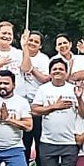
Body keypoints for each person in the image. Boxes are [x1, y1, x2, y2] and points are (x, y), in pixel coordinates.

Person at [31, 58, 82, 166]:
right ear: (50, 73)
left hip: (69, 141)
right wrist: (54, 107)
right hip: (48, 141)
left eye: (61, 69)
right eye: (54, 69)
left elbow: (83, 113)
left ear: (66, 73)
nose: (57, 71)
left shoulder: (73, 89)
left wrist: (79, 98)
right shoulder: (43, 89)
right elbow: (34, 110)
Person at [19, 29, 51, 159]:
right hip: (22, 102)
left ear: (40, 45)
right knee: (24, 138)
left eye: (36, 42)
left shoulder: (43, 59)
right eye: (30, 40)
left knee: (38, 136)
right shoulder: (18, 54)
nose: (32, 43)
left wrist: (31, 68)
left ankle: (40, 164)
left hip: (37, 103)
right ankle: (24, 163)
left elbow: (45, 78)